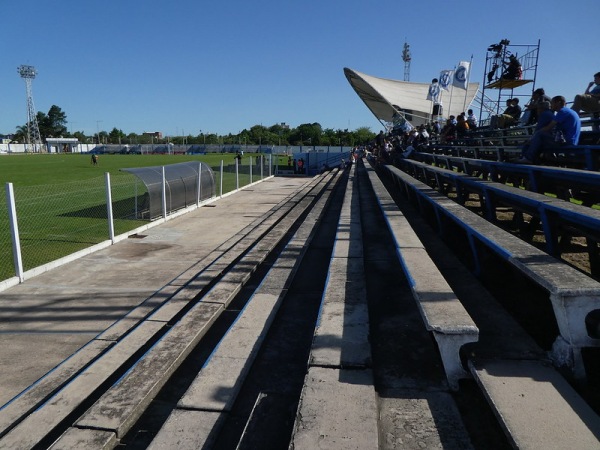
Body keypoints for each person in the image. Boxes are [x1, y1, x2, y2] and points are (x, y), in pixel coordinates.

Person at [517, 95, 581, 164]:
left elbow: (548, 127)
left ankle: (529, 158)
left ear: (558, 103)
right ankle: (533, 159)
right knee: (538, 139)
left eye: (552, 103)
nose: (551, 106)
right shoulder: (568, 111)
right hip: (569, 140)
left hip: (567, 141)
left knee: (539, 135)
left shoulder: (562, 111)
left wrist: (533, 137)